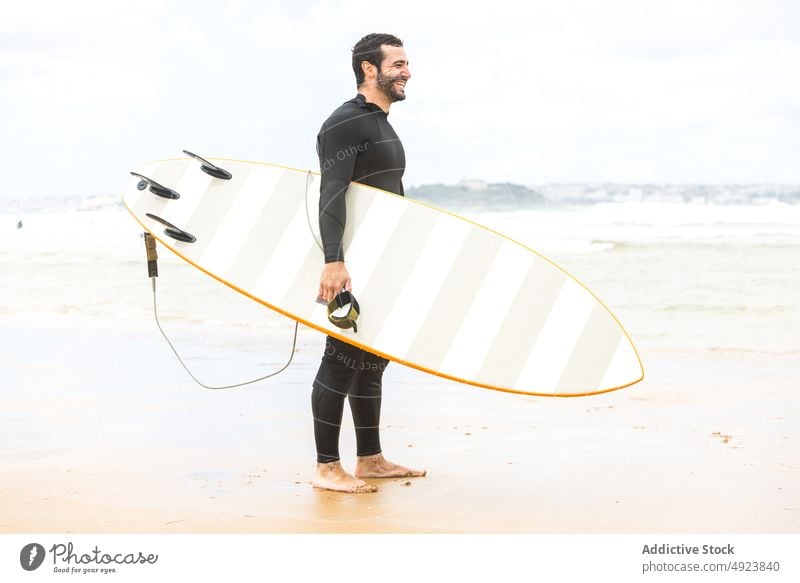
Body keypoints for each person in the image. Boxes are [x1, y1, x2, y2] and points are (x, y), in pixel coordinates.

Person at [311, 33, 426, 493]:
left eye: (406, 63)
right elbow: (331, 192)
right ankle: (325, 467)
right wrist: (334, 260)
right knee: (339, 359)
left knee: (373, 358)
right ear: (369, 70)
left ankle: (370, 458)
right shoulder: (345, 122)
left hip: (382, 261)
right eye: (397, 64)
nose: (407, 72)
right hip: (351, 260)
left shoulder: (380, 122)